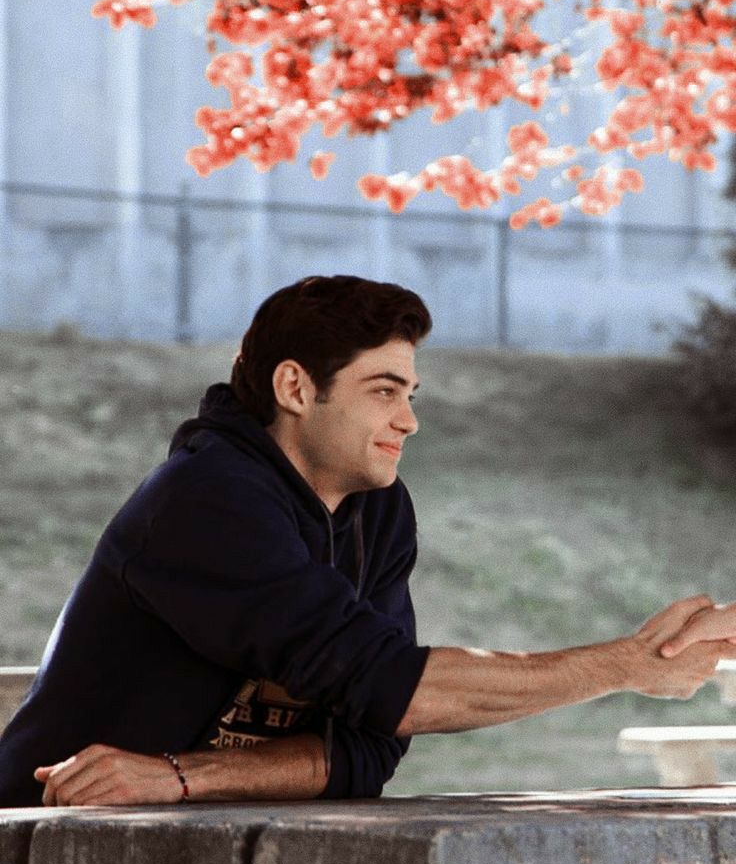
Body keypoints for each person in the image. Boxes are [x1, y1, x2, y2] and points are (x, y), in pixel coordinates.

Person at [1, 273, 735, 811]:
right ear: (295, 389)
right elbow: (397, 692)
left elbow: (371, 743)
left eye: (410, 394)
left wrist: (180, 776)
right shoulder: (205, 503)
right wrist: (624, 665)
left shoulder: (376, 512)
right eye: (383, 390)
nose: (408, 419)